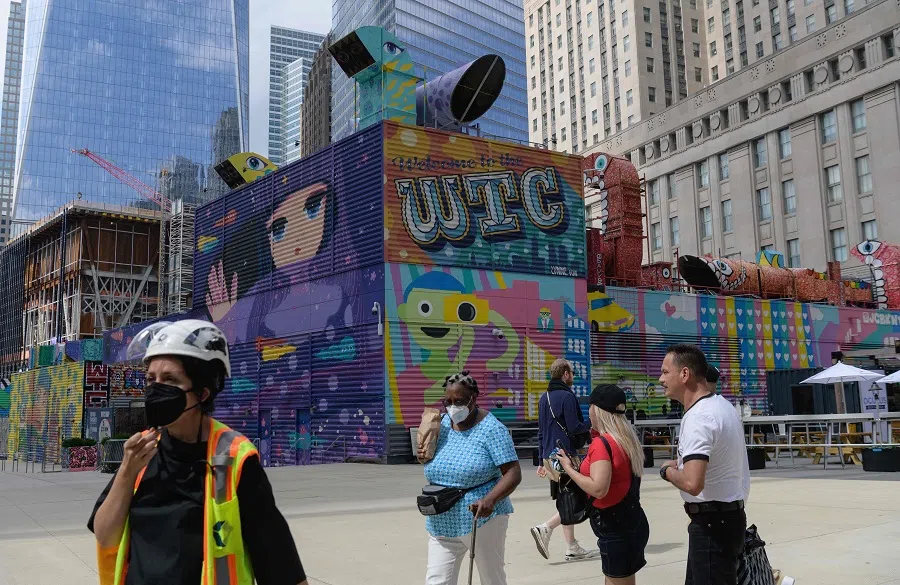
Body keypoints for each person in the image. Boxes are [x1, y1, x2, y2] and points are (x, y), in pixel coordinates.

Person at [88, 319, 308, 585]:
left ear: (203, 393)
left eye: (170, 380)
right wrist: (125, 472)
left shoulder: (234, 459)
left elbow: (280, 565)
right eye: (151, 379)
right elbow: (105, 535)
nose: (156, 389)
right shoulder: (141, 453)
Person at [658, 344, 750, 585]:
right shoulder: (722, 406)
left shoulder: (698, 417)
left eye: (666, 372)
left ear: (685, 374)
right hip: (728, 519)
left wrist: (667, 471)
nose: (661, 379)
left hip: (712, 526)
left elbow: (692, 482)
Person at [419, 371, 522, 585]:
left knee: (491, 578)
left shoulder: (492, 429)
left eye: (459, 401)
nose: (452, 407)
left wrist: (491, 499)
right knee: (436, 581)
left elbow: (513, 473)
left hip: (480, 519)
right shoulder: (443, 424)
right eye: (447, 401)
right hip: (442, 518)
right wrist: (424, 454)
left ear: (473, 399)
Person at [556, 384, 650, 584]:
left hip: (615, 526)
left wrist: (569, 469)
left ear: (597, 410)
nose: (588, 413)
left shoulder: (602, 443)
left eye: (589, 407)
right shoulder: (627, 439)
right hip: (632, 520)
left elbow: (599, 489)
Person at [530, 359, 594, 561]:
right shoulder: (567, 396)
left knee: (565, 498)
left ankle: (571, 546)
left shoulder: (544, 398)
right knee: (576, 499)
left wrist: (541, 460)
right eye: (572, 373)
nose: (573, 377)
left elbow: (541, 432)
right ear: (565, 373)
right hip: (566, 456)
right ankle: (545, 528)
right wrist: (593, 421)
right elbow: (575, 427)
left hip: (550, 457)